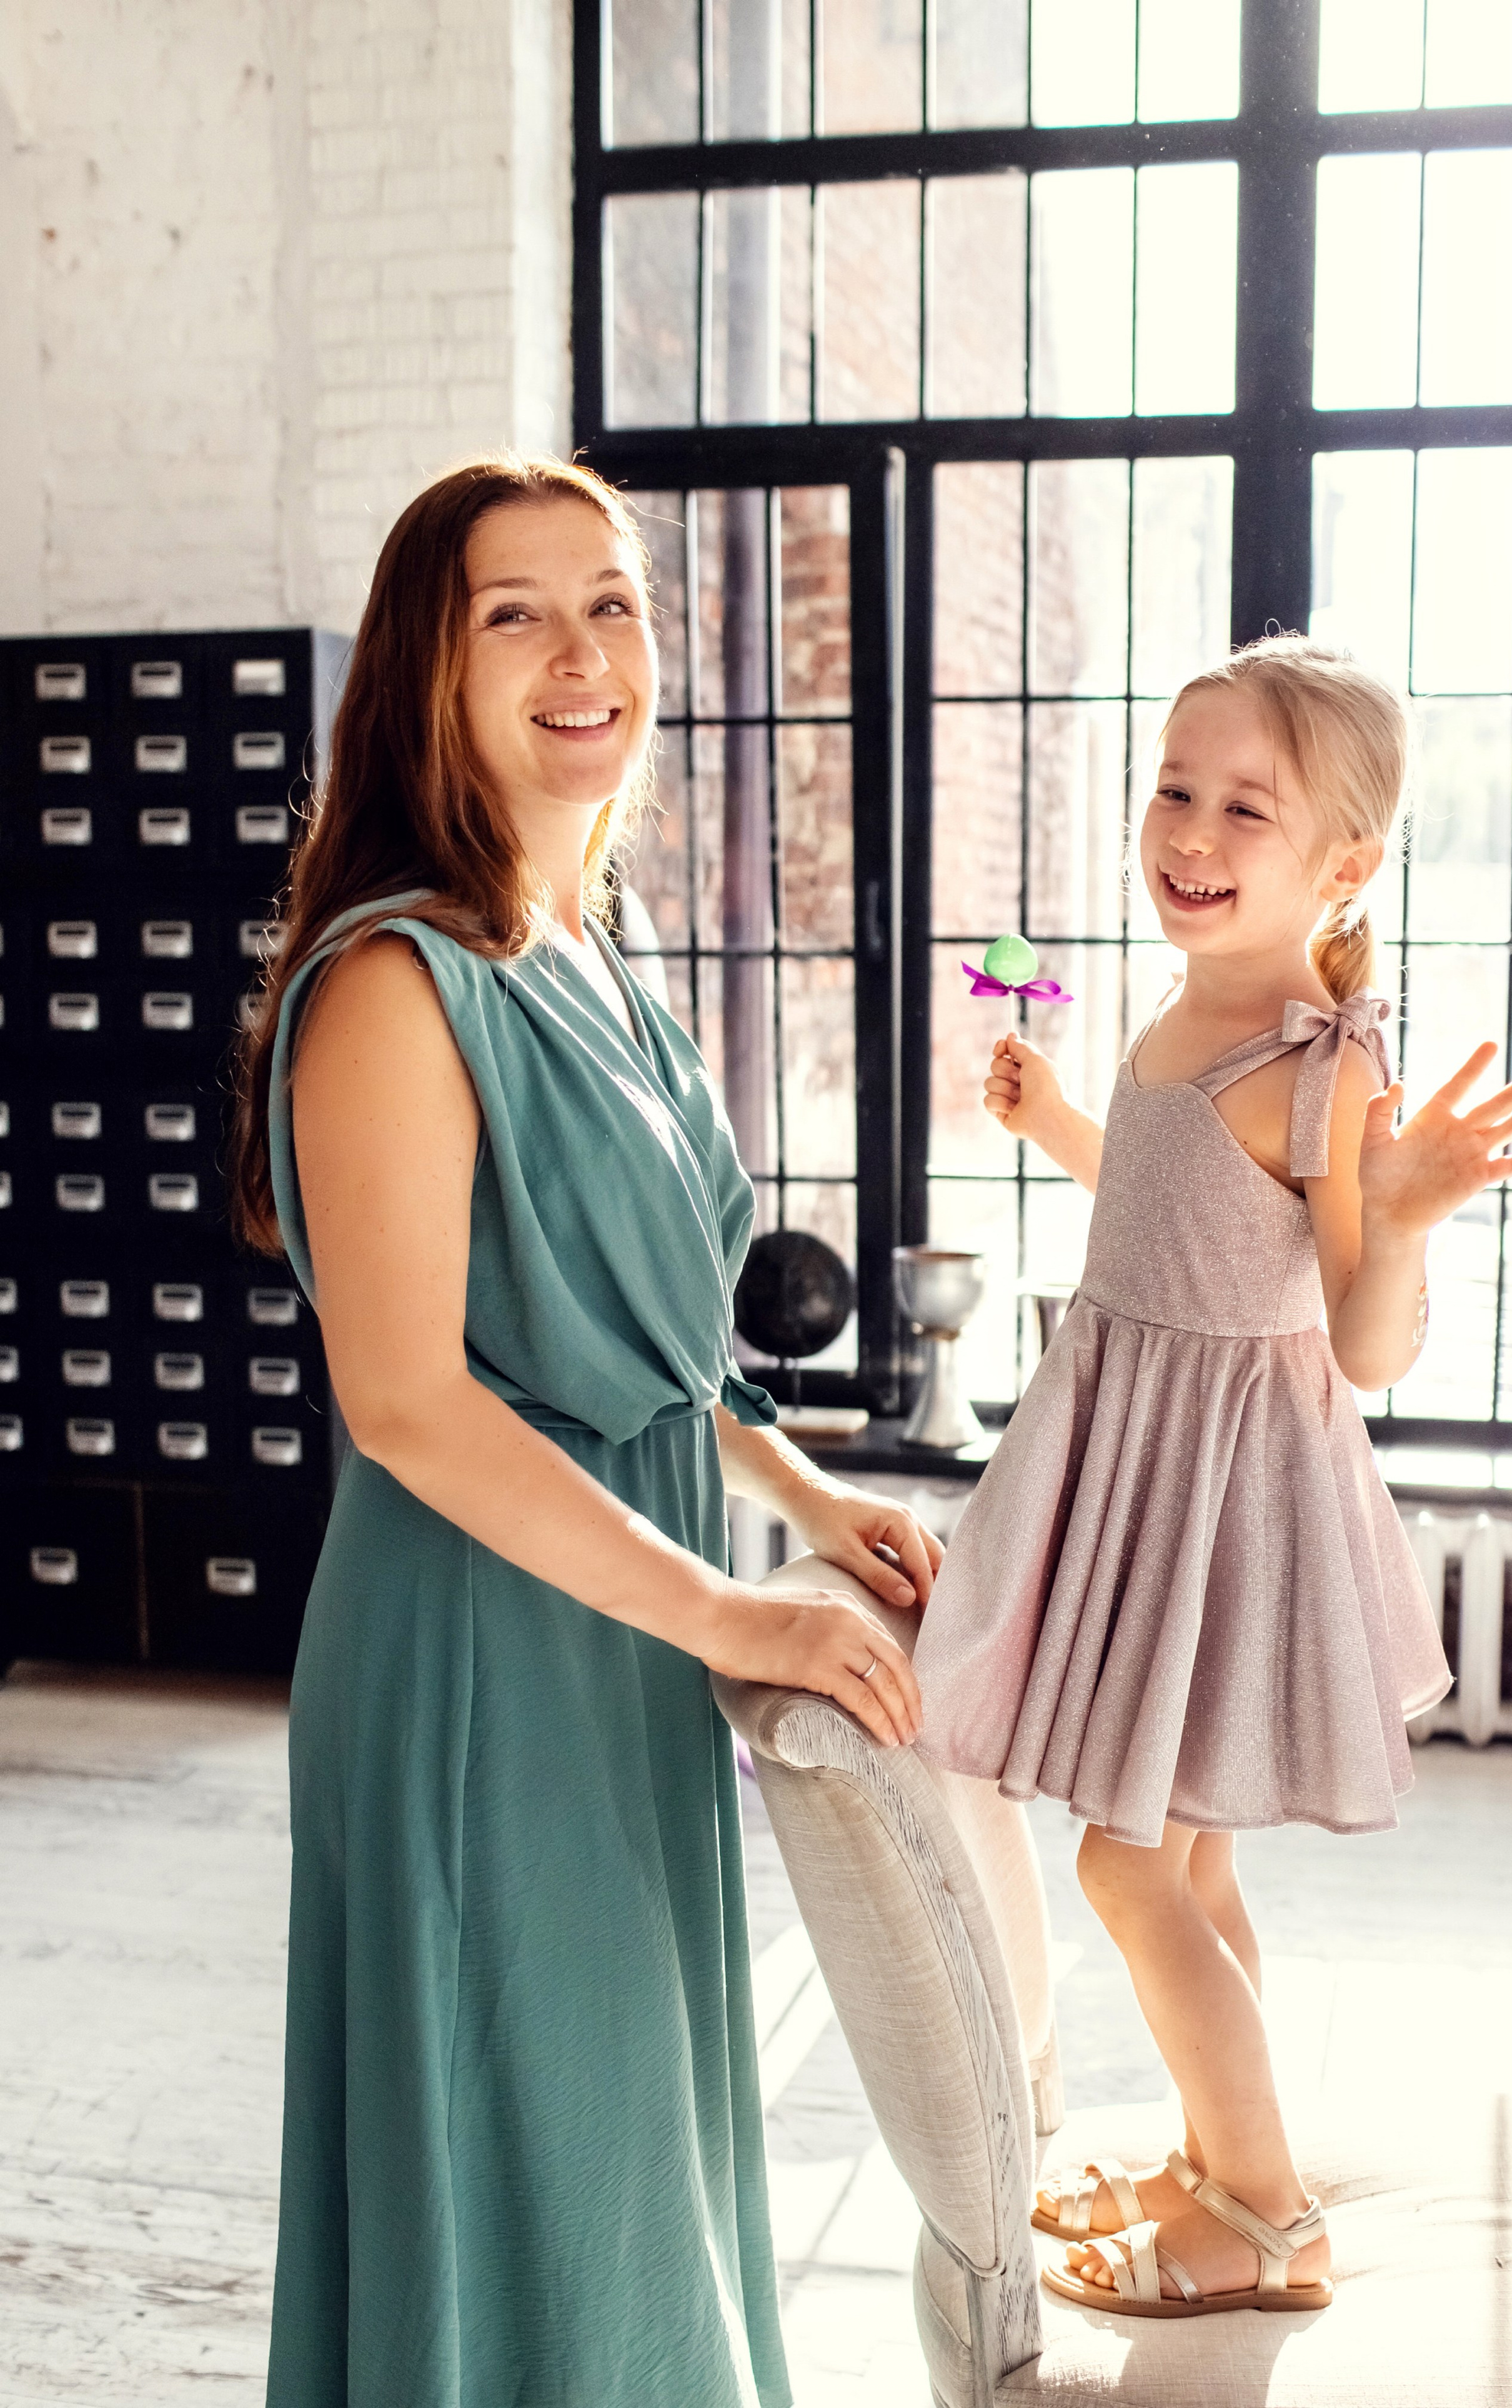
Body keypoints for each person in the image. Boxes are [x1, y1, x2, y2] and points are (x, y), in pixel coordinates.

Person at [230, 451, 941, 2405]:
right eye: (514, 612)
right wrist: (732, 1620)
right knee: (528, 2158)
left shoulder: (597, 959)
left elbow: (651, 1345)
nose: (581, 651)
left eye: (610, 601)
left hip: (617, 1631)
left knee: (633, 2159)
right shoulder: (395, 981)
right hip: (474, 1661)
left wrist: (803, 1494)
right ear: (426, 675)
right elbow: (409, 1406)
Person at [913, 636, 1512, 2321]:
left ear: (1343, 864)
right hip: (1142, 1459)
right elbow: (1167, 1211)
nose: (1189, 829)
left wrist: (1404, 1215)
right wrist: (1059, 1115)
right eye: (1174, 789)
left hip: (1227, 1502)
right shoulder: (1184, 1009)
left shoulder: (1323, 1063)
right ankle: (1222, 2156)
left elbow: (1358, 1343)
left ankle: (1266, 2220)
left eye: (1243, 808)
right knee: (1188, 1868)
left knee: (1125, 1867)